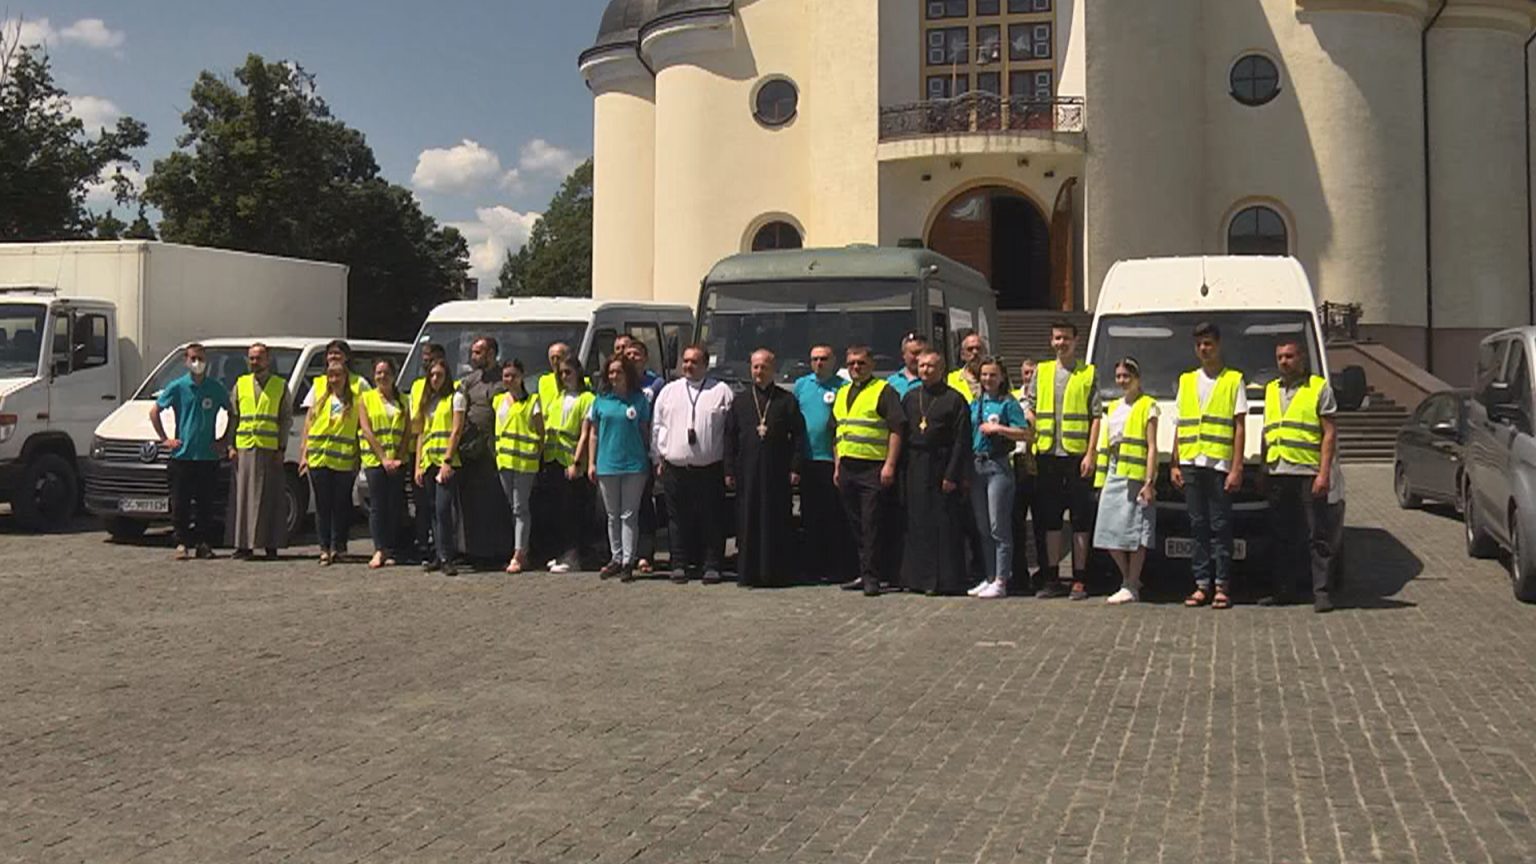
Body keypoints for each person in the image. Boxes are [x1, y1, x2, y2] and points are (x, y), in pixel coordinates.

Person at [1260, 339, 1340, 613]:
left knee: (1317, 534)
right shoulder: (1271, 389)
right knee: (1282, 534)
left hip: (1307, 472)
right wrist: (1263, 468)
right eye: (1280, 357)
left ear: (1302, 358)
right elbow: (1268, 430)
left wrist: (1323, 473)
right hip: (1277, 471)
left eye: (1289, 356)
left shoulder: (1318, 387)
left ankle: (1321, 593)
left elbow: (1329, 433)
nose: (1284, 361)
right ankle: (1284, 591)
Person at [1171, 322, 1247, 610]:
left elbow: (1239, 427)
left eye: (1208, 344)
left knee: (1220, 526)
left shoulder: (1233, 380)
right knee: (1197, 526)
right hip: (1191, 462)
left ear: (1218, 345)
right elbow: (1179, 424)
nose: (1204, 349)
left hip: (1218, 465)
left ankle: (1222, 586)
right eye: (1199, 344)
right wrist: (1175, 463)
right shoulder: (1187, 380)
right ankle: (1202, 584)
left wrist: (1236, 467)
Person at [1025, 321, 1101, 600]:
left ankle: (1080, 579)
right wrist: (1029, 438)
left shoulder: (1087, 373)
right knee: (1051, 520)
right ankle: (1052, 577)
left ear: (1076, 340)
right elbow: (1031, 408)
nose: (1061, 343)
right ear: (1051, 341)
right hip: (1047, 456)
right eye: (1057, 338)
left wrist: (1090, 453)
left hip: (1076, 456)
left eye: (1066, 338)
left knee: (1080, 520)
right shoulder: (1042, 371)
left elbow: (1096, 417)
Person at [652, 344, 733, 584]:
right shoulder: (669, 391)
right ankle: (679, 564)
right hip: (675, 468)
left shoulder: (721, 391)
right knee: (677, 519)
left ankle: (712, 565)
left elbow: (729, 431)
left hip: (710, 468)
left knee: (712, 519)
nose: (688, 366)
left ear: (705, 365)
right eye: (685, 361)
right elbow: (657, 427)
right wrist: (657, 457)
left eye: (694, 362)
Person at [724, 349, 805, 587]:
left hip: (777, 471)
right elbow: (729, 437)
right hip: (746, 471)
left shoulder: (785, 400)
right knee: (747, 519)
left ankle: (775, 573)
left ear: (773, 369)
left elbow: (799, 436)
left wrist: (795, 467)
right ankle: (748, 573)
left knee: (775, 519)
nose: (759, 371)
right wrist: (728, 470)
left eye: (764, 367)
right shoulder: (740, 401)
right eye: (756, 367)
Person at [897, 349, 971, 596]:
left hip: (941, 464)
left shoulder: (954, 399)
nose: (925, 370)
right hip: (915, 465)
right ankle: (916, 579)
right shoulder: (910, 398)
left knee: (943, 523)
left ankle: (942, 581)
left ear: (941, 369)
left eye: (930, 366)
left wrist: (952, 474)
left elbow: (961, 441)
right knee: (916, 522)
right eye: (922, 366)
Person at [833, 344, 904, 596]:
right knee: (855, 525)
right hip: (847, 467)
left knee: (871, 524)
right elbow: (838, 432)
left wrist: (890, 465)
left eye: (861, 363)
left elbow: (897, 429)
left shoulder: (883, 391)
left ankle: (873, 577)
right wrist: (837, 466)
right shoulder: (842, 392)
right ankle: (862, 573)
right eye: (851, 363)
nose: (856, 367)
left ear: (872, 364)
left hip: (873, 468)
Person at [150, 343, 231, 561]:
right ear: (186, 361)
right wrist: (165, 439)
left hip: (207, 456)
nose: (197, 363)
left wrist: (224, 439)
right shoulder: (177, 386)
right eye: (193, 358)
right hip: (182, 456)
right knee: (180, 503)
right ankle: (181, 542)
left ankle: (203, 544)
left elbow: (233, 412)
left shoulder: (215, 388)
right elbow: (155, 411)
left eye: (201, 359)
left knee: (206, 504)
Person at [1091, 358, 1159, 605]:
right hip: (1114, 470)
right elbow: (1105, 444)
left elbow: (1152, 447)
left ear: (1137, 378)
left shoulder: (1148, 406)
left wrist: (1149, 481)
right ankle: (1129, 578)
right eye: (1118, 376)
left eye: (1126, 376)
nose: (1122, 381)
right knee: (1107, 529)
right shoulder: (1113, 407)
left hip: (1135, 474)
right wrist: (1100, 479)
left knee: (1136, 530)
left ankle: (1130, 584)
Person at [968, 357, 1030, 599]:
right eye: (984, 375)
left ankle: (1003, 579)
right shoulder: (977, 402)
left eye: (992, 375)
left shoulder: (1008, 403)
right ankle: (990, 576)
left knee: (998, 526)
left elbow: (1024, 433)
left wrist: (999, 429)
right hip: (977, 465)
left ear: (1002, 377)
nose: (988, 379)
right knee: (983, 527)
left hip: (998, 466)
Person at [586, 356, 653, 581]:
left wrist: (650, 457)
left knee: (629, 514)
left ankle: (628, 561)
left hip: (634, 465)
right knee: (612, 515)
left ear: (627, 374)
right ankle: (615, 557)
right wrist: (591, 462)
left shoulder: (639, 400)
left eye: (619, 372)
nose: (614, 376)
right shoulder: (600, 401)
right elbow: (594, 434)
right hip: (607, 464)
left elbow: (645, 431)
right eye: (611, 372)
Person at [792, 344, 852, 584]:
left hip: (833, 460)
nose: (819, 363)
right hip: (808, 460)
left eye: (824, 359)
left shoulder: (843, 387)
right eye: (815, 359)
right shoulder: (801, 386)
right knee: (810, 516)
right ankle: (812, 567)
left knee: (835, 516)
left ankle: (836, 566)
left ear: (834, 361)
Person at [228, 342, 291, 560]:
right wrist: (230, 446)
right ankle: (243, 545)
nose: (255, 362)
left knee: (270, 498)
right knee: (243, 499)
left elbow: (285, 418)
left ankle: (270, 544)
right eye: (252, 358)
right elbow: (233, 417)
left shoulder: (280, 385)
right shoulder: (241, 384)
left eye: (259, 358)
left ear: (268, 360)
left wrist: (282, 447)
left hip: (269, 448)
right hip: (245, 447)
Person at [456, 336, 513, 566]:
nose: (473, 356)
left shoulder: (504, 379)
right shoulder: (470, 381)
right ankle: (472, 551)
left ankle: (497, 551)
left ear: (491, 354)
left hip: (495, 449)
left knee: (495, 501)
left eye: (478, 352)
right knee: (472, 502)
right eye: (473, 352)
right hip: (471, 448)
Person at [300, 362, 361, 565]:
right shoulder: (320, 398)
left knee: (341, 505)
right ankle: (324, 548)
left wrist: (358, 457)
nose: (334, 380)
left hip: (343, 460)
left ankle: (339, 546)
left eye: (338, 375)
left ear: (345, 377)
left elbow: (359, 429)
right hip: (319, 459)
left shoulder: (356, 400)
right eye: (331, 376)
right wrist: (304, 455)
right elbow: (309, 425)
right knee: (322, 505)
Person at [540, 356, 597, 574]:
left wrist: (576, 462)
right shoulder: (560, 397)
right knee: (558, 510)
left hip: (572, 461)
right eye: (561, 373)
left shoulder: (587, 398)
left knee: (573, 510)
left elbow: (585, 434)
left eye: (568, 372)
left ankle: (574, 555)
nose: (564, 377)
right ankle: (561, 552)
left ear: (578, 373)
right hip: (554, 458)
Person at [415, 358, 466, 576]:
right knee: (433, 510)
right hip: (429, 461)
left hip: (446, 462)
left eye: (439, 375)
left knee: (444, 509)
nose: (435, 379)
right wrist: (418, 465)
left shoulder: (456, 398)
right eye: (432, 375)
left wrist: (447, 461)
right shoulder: (428, 401)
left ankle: (447, 556)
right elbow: (422, 434)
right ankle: (438, 553)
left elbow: (456, 430)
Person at [493, 359, 544, 574]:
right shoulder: (498, 400)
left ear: (522, 376)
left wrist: (536, 455)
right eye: (506, 375)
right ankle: (521, 550)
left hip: (525, 462)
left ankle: (519, 554)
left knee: (520, 508)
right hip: (504, 461)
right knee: (512, 508)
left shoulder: (532, 401)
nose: (509, 380)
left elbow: (541, 432)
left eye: (513, 375)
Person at [359, 358, 409, 569]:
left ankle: (392, 548)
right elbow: (367, 430)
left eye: (386, 372)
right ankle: (379, 548)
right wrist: (383, 458)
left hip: (397, 461)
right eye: (378, 373)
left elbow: (407, 431)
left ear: (394, 375)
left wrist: (398, 457)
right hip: (375, 461)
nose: (382, 377)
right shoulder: (366, 398)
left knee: (394, 506)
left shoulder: (403, 400)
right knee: (378, 506)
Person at [624, 338, 664, 574]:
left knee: (644, 503)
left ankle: (645, 554)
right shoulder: (618, 382)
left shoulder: (656, 384)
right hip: (623, 451)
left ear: (645, 358)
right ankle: (624, 553)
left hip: (645, 450)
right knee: (624, 507)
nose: (632, 358)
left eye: (636, 354)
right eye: (628, 354)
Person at [1011, 358, 1050, 591]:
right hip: (1017, 463)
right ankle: (1019, 574)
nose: (1029, 377)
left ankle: (1045, 573)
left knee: (1041, 522)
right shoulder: (1013, 398)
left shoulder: (1045, 400)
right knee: (1016, 521)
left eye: (1033, 373)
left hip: (1038, 461)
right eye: (1026, 373)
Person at [409, 343, 448, 562]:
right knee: (423, 505)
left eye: (430, 357)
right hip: (420, 452)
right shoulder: (417, 386)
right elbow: (417, 424)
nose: (425, 360)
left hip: (443, 458)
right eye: (423, 357)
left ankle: (444, 551)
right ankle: (425, 546)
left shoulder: (451, 392)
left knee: (441, 508)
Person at [301, 339, 368, 410]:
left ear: (347, 357)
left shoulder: (359, 382)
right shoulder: (319, 383)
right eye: (330, 353)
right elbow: (310, 411)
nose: (333, 356)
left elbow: (370, 407)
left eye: (337, 353)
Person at [946, 330, 985, 403]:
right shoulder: (952, 379)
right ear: (962, 355)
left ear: (985, 352)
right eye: (970, 349)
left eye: (978, 348)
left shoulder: (995, 376)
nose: (975, 352)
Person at [886, 332, 927, 398]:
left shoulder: (933, 381)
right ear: (903, 355)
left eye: (923, 353)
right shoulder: (891, 383)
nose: (919, 357)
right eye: (915, 353)